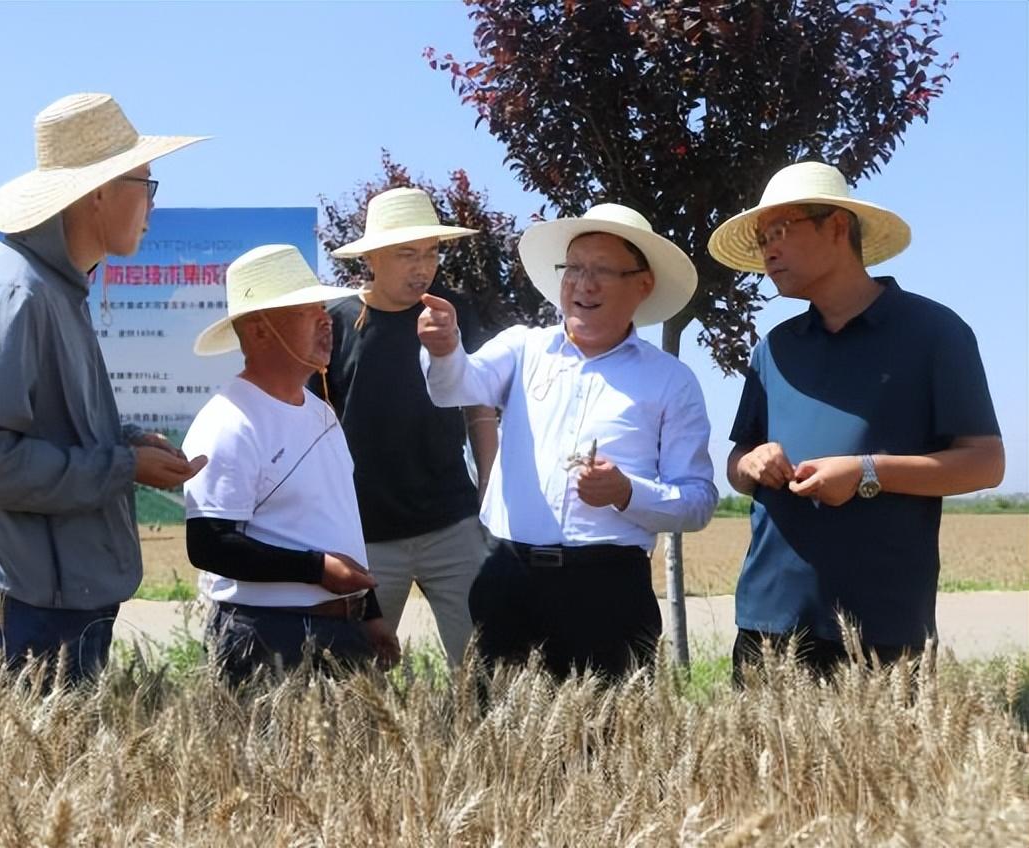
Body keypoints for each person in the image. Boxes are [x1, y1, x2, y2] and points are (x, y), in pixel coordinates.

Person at [0, 93, 209, 682]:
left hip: (42, 592)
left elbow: (39, 428)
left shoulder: (52, 288)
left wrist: (126, 442)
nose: (153, 205)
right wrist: (123, 466)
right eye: (146, 185)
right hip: (20, 602)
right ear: (98, 191)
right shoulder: (19, 294)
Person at [708, 161, 1004, 681]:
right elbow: (736, 464)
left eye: (780, 231)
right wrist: (751, 462)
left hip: (883, 627)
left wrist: (867, 472)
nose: (768, 251)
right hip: (768, 619)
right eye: (761, 239)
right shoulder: (774, 350)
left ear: (838, 226)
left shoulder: (935, 333)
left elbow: (985, 463)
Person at [418, 203, 717, 680]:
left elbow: (699, 500)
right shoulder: (523, 347)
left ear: (643, 285)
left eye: (602, 271)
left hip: (608, 589)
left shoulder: (671, 381)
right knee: (500, 742)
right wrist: (444, 348)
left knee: (606, 745)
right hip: (507, 578)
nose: (583, 284)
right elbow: (456, 386)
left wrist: (626, 493)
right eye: (573, 268)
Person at [183, 244, 400, 685]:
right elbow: (209, 544)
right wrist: (317, 570)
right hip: (266, 636)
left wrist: (368, 611)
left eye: (323, 308)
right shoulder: (229, 421)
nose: (326, 321)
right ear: (260, 332)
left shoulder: (320, 412)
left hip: (342, 628)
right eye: (306, 311)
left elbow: (338, 521)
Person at [309, 187, 497, 665]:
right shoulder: (335, 322)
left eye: (431, 253)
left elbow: (479, 408)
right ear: (372, 257)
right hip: (364, 535)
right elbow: (309, 428)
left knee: (484, 671)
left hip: (453, 524)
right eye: (406, 254)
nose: (423, 267)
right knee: (355, 680)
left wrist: (489, 494)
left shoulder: (450, 314)